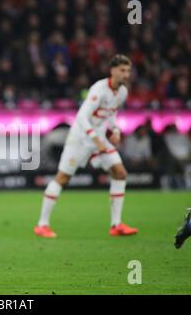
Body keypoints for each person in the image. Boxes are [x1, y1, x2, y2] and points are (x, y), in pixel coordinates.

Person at [34, 54, 138, 238]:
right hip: (80, 138)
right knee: (63, 178)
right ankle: (42, 225)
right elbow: (82, 117)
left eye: (128, 71)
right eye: (122, 70)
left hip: (98, 137)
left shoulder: (122, 92)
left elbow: (111, 114)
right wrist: (95, 139)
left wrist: (114, 130)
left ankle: (116, 224)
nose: (126, 74)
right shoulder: (98, 89)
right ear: (112, 70)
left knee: (120, 173)